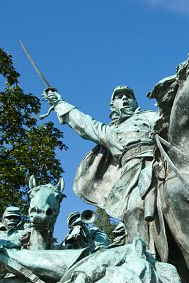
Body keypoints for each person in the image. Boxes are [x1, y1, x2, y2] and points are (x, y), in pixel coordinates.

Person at [43, 86, 162, 253]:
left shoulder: (150, 116)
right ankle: (141, 255)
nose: (125, 99)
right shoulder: (110, 131)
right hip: (134, 175)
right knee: (135, 209)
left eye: (128, 96)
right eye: (119, 97)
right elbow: (85, 124)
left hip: (162, 163)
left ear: (135, 102)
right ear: (113, 106)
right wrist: (60, 103)